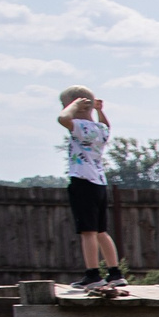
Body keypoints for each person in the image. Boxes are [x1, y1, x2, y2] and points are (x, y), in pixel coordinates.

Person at [55, 86, 124, 297]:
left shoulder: (79, 126)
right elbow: (107, 125)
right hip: (100, 183)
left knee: (88, 232)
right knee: (101, 231)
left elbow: (62, 118)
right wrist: (100, 110)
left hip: (83, 181)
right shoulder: (99, 129)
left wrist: (73, 106)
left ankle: (93, 274)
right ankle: (115, 273)